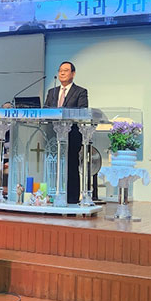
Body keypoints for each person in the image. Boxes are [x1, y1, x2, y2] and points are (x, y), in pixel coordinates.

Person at [44, 62, 88, 204]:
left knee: (71, 165)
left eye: (66, 70)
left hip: (72, 134)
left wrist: (64, 113)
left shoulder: (80, 92)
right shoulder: (52, 92)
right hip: (52, 135)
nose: (62, 73)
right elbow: (45, 111)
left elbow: (82, 111)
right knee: (52, 165)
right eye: (60, 70)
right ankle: (51, 195)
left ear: (73, 74)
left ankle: (72, 198)